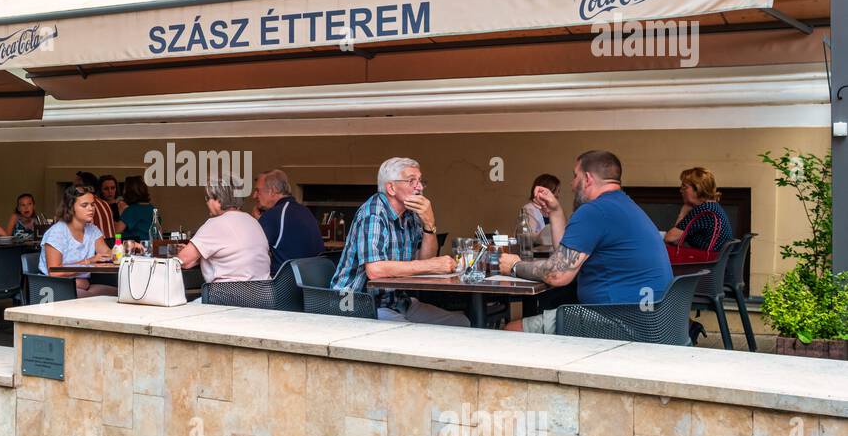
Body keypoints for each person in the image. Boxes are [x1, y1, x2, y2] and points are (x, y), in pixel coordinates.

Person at [501, 150, 673, 334]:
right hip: (653, 321)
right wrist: (555, 211)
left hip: (619, 321)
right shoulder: (625, 206)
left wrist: (515, 265)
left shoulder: (594, 211)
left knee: (511, 330)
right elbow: (565, 259)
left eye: (575, 176)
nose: (572, 184)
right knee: (556, 302)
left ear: (588, 179)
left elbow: (557, 274)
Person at [329, 157, 468, 326]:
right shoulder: (373, 213)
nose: (420, 187)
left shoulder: (410, 214)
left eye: (420, 181)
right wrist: (432, 265)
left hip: (398, 303)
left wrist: (429, 224)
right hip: (357, 304)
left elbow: (423, 261)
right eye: (411, 181)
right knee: (414, 335)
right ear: (391, 188)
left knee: (462, 324)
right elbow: (375, 270)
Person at [40, 184, 139, 297]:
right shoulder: (57, 233)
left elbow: (107, 254)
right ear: (71, 207)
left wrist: (125, 247)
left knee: (124, 294)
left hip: (81, 284)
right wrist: (89, 262)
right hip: (55, 287)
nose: (91, 208)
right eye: (84, 205)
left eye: (92, 204)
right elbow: (54, 272)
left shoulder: (92, 230)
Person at [178, 182, 270, 284]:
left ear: (218, 200)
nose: (207, 203)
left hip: (230, 296)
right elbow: (234, 258)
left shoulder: (215, 224)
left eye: (207, 198)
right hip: (264, 295)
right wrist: (201, 255)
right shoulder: (253, 221)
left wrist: (187, 253)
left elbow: (183, 261)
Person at [252, 169, 324, 274]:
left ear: (272, 190)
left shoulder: (273, 215)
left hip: (284, 286)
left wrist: (256, 223)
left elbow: (250, 253)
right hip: (312, 283)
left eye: (258, 191)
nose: (254, 196)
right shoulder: (304, 211)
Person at [665, 166, 733, 253]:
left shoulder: (704, 211)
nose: (681, 190)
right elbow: (677, 240)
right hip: (717, 262)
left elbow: (670, 238)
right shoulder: (712, 206)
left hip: (708, 263)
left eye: (684, 187)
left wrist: (683, 213)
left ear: (698, 188)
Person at [74, 171, 118, 239]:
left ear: (86, 188)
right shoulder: (104, 203)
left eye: (77, 186)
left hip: (97, 245)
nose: (74, 190)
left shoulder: (85, 204)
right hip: (111, 244)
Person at [522, 174, 561, 245]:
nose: (558, 195)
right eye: (556, 191)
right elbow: (528, 237)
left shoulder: (554, 209)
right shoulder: (528, 209)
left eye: (559, 191)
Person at [116, 176, 157, 242]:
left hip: (135, 248)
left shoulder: (131, 210)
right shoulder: (152, 208)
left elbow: (117, 232)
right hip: (151, 245)